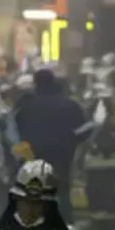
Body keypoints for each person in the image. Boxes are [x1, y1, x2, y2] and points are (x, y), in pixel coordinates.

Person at [15, 68, 88, 221]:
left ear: (35, 84)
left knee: (34, 190)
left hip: (33, 155)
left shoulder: (26, 105)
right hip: (62, 155)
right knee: (61, 191)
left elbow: (15, 130)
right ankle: (65, 223)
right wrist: (71, 142)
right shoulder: (69, 105)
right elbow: (84, 129)